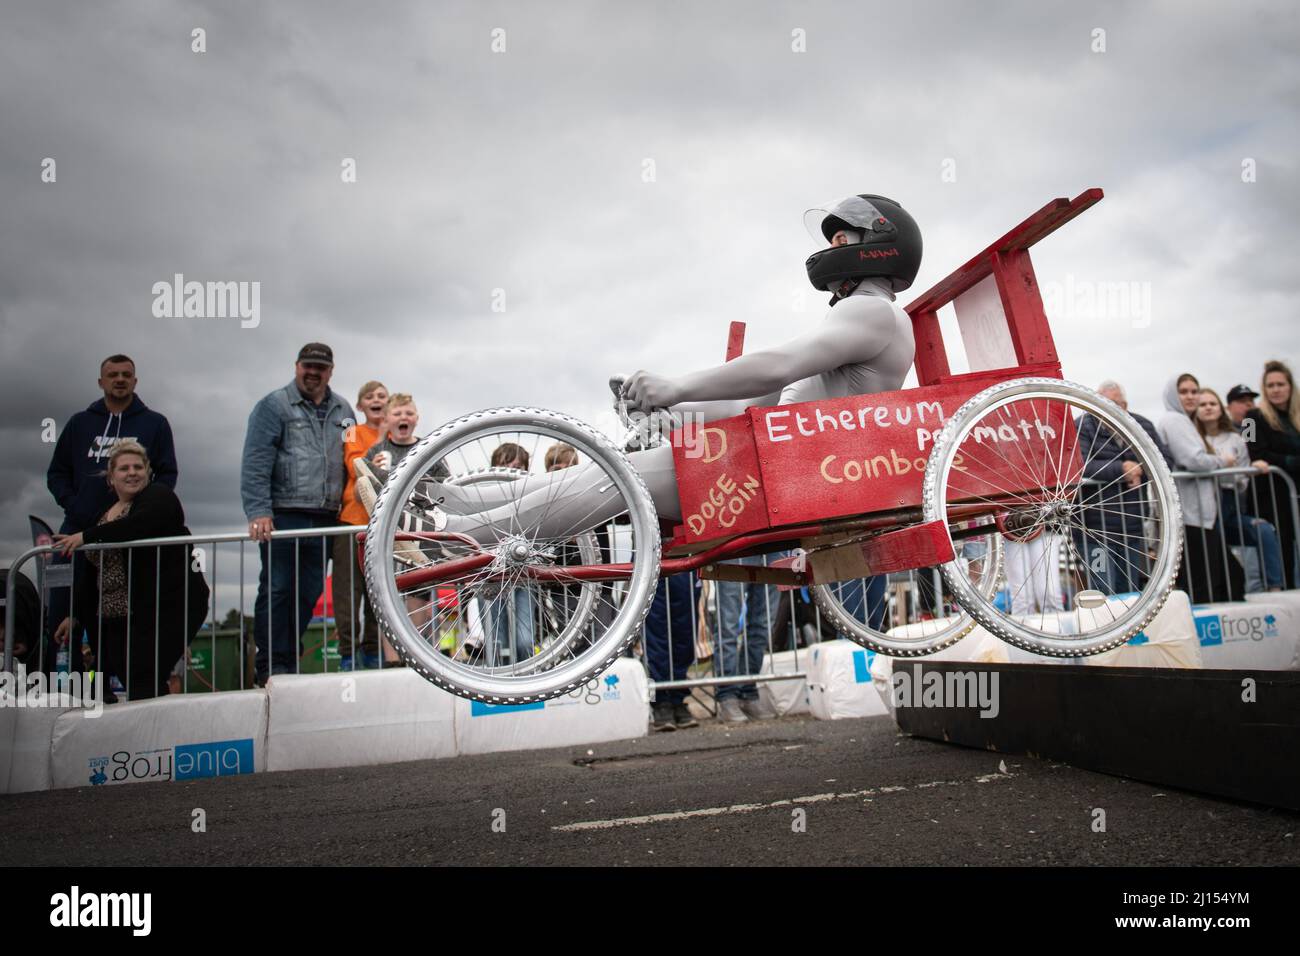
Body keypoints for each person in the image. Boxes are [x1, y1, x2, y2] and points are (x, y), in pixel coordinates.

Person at [423, 194, 921, 554]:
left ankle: (451, 536)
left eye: (842, 237)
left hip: (793, 474)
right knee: (608, 473)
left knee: (616, 480)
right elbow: (767, 401)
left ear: (878, 245)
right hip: (786, 464)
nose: (832, 246)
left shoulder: (873, 313)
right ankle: (455, 505)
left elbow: (776, 367)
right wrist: (677, 406)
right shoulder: (862, 316)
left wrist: (678, 388)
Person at [51, 441, 209, 703]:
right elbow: (92, 574)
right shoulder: (103, 515)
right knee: (132, 682)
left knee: (144, 677)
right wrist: (75, 614)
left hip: (163, 610)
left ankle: (157, 737)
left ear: (148, 473)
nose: (132, 472)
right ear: (111, 478)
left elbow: (137, 526)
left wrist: (85, 536)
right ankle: (146, 736)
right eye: (124, 468)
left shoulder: (158, 497)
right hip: (116, 617)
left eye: (138, 467)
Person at [46, 355, 179, 648]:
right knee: (62, 615)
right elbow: (57, 473)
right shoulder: (80, 423)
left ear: (135, 380)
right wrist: (74, 504)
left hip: (128, 536)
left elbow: (167, 474)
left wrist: (141, 509)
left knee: (115, 623)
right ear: (101, 382)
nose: (120, 379)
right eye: (113, 374)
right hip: (77, 531)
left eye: (126, 374)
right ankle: (62, 687)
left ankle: (108, 685)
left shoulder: (155, 423)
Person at [241, 343, 353, 684]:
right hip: (284, 515)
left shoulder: (343, 409)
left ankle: (289, 661)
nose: (313, 372)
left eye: (320, 367)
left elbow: (353, 460)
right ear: (296, 366)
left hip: (326, 517)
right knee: (277, 589)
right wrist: (259, 510)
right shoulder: (273, 406)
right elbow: (256, 461)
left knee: (308, 592)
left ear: (330, 371)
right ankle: (271, 665)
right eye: (307, 365)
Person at [1156, 373, 1244, 602]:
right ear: (1173, 394)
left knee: (1223, 577)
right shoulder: (1175, 420)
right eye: (1184, 391)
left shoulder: (1185, 421)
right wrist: (1222, 461)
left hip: (1201, 512)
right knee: (1204, 583)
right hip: (1192, 513)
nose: (1191, 396)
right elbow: (1193, 460)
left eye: (1194, 391)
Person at [1074, 381, 1159, 595]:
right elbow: (1079, 464)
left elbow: (1165, 460)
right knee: (1102, 592)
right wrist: (1121, 469)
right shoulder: (1081, 427)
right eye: (1103, 404)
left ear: (1125, 405)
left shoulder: (1143, 426)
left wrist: (1140, 468)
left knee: (1129, 592)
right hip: (1094, 531)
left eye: (1116, 404)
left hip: (1132, 529)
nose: (1110, 409)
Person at [1194, 388, 1283, 591]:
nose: (1248, 405)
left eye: (1250, 400)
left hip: (1238, 501)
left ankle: (1273, 587)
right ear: (1230, 405)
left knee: (1263, 533)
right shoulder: (1198, 435)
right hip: (1209, 501)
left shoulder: (1247, 426)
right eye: (1241, 401)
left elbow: (1250, 454)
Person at [333, 381, 388, 670]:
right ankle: (347, 653)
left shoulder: (396, 434)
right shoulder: (354, 432)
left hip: (385, 524)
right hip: (354, 521)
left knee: (378, 588)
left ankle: (372, 648)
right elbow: (354, 465)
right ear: (360, 405)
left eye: (381, 396)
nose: (376, 400)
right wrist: (374, 459)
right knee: (347, 591)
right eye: (370, 396)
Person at [1244, 360, 1300, 588]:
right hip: (1273, 499)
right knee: (1283, 549)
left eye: (1280, 384)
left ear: (1290, 386)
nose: (1276, 389)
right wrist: (1291, 462)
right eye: (1270, 385)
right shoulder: (1251, 416)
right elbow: (1255, 451)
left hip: (1295, 492)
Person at [713, 557, 781, 722]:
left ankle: (748, 691)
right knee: (728, 626)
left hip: (772, 550)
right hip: (733, 548)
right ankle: (727, 695)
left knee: (762, 625)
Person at [644, 573, 701, 731]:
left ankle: (678, 698)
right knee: (654, 637)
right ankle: (659, 701)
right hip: (652, 560)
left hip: (684, 560)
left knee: (685, 635)